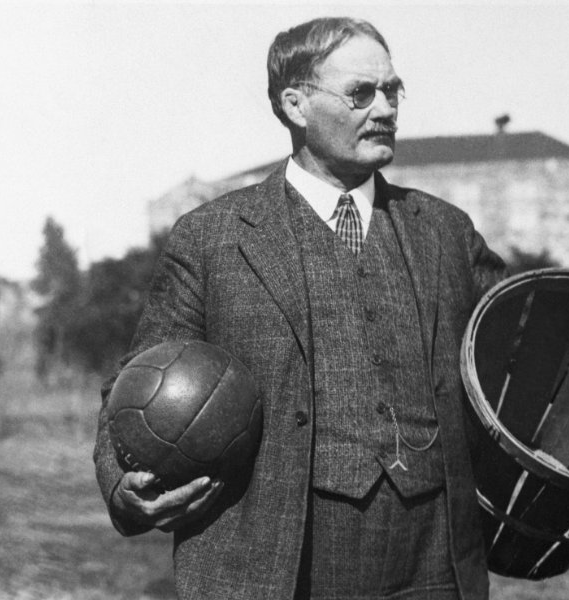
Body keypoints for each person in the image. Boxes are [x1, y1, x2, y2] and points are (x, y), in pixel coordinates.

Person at [93, 16, 507, 600]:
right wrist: (122, 485)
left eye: (393, 90)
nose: (386, 109)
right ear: (295, 105)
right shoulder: (211, 238)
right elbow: (132, 384)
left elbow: (524, 351)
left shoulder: (446, 232)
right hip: (269, 570)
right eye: (362, 93)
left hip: (433, 568)